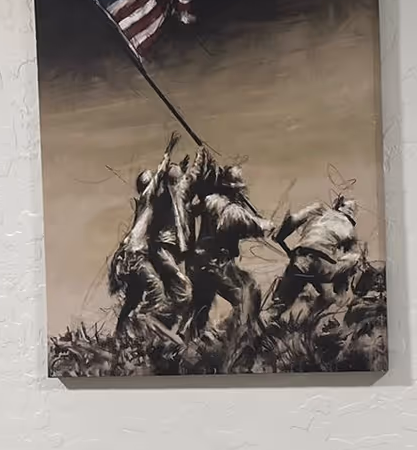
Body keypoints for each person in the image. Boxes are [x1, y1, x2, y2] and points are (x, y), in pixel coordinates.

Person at [109, 137, 192, 336]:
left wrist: (179, 168)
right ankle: (144, 327)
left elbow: (169, 187)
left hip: (131, 256)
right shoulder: (147, 197)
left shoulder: (146, 203)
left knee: (134, 297)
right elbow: (162, 178)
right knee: (157, 294)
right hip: (136, 257)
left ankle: (120, 335)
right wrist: (168, 153)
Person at [183, 163, 269, 338]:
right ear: (235, 190)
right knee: (247, 295)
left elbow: (192, 210)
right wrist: (267, 224)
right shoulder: (234, 211)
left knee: (202, 305)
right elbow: (258, 227)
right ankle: (234, 335)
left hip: (197, 263)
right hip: (216, 264)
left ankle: (188, 341)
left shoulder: (210, 200)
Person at [267, 195, 363, 321]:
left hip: (303, 259)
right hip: (326, 267)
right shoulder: (350, 230)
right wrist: (337, 274)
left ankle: (274, 316)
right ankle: (312, 319)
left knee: (281, 300)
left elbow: (293, 219)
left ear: (338, 206)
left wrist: (279, 236)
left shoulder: (319, 209)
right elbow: (353, 258)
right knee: (327, 298)